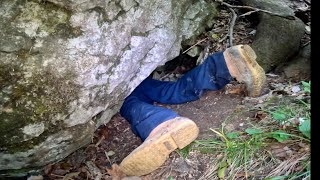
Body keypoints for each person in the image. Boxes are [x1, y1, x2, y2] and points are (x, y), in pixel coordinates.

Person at [118, 45, 266, 176]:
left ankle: (160, 124)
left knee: (129, 102)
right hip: (137, 77)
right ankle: (226, 64)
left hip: (118, 81)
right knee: (173, 90)